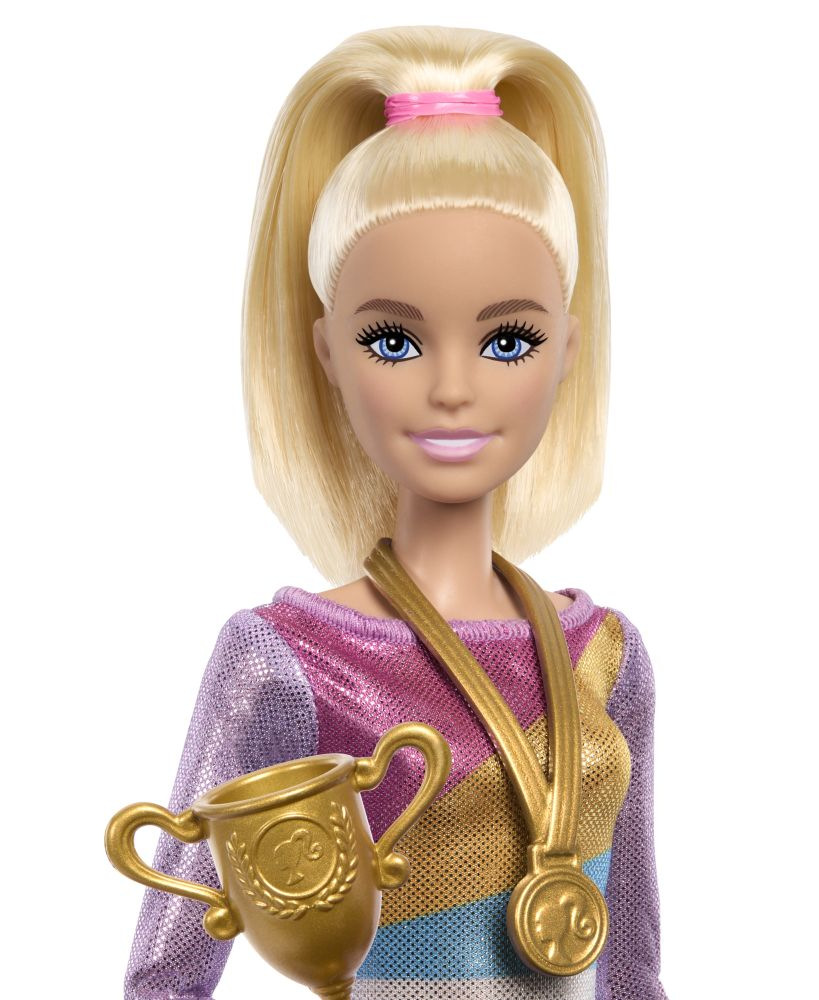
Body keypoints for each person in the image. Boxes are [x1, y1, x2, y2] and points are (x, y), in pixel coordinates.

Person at [123, 25, 668, 1000]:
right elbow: (166, 975)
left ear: (568, 350)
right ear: (326, 354)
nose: (452, 389)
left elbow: (633, 966)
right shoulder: (286, 658)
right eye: (393, 341)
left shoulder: (605, 656)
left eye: (507, 340)